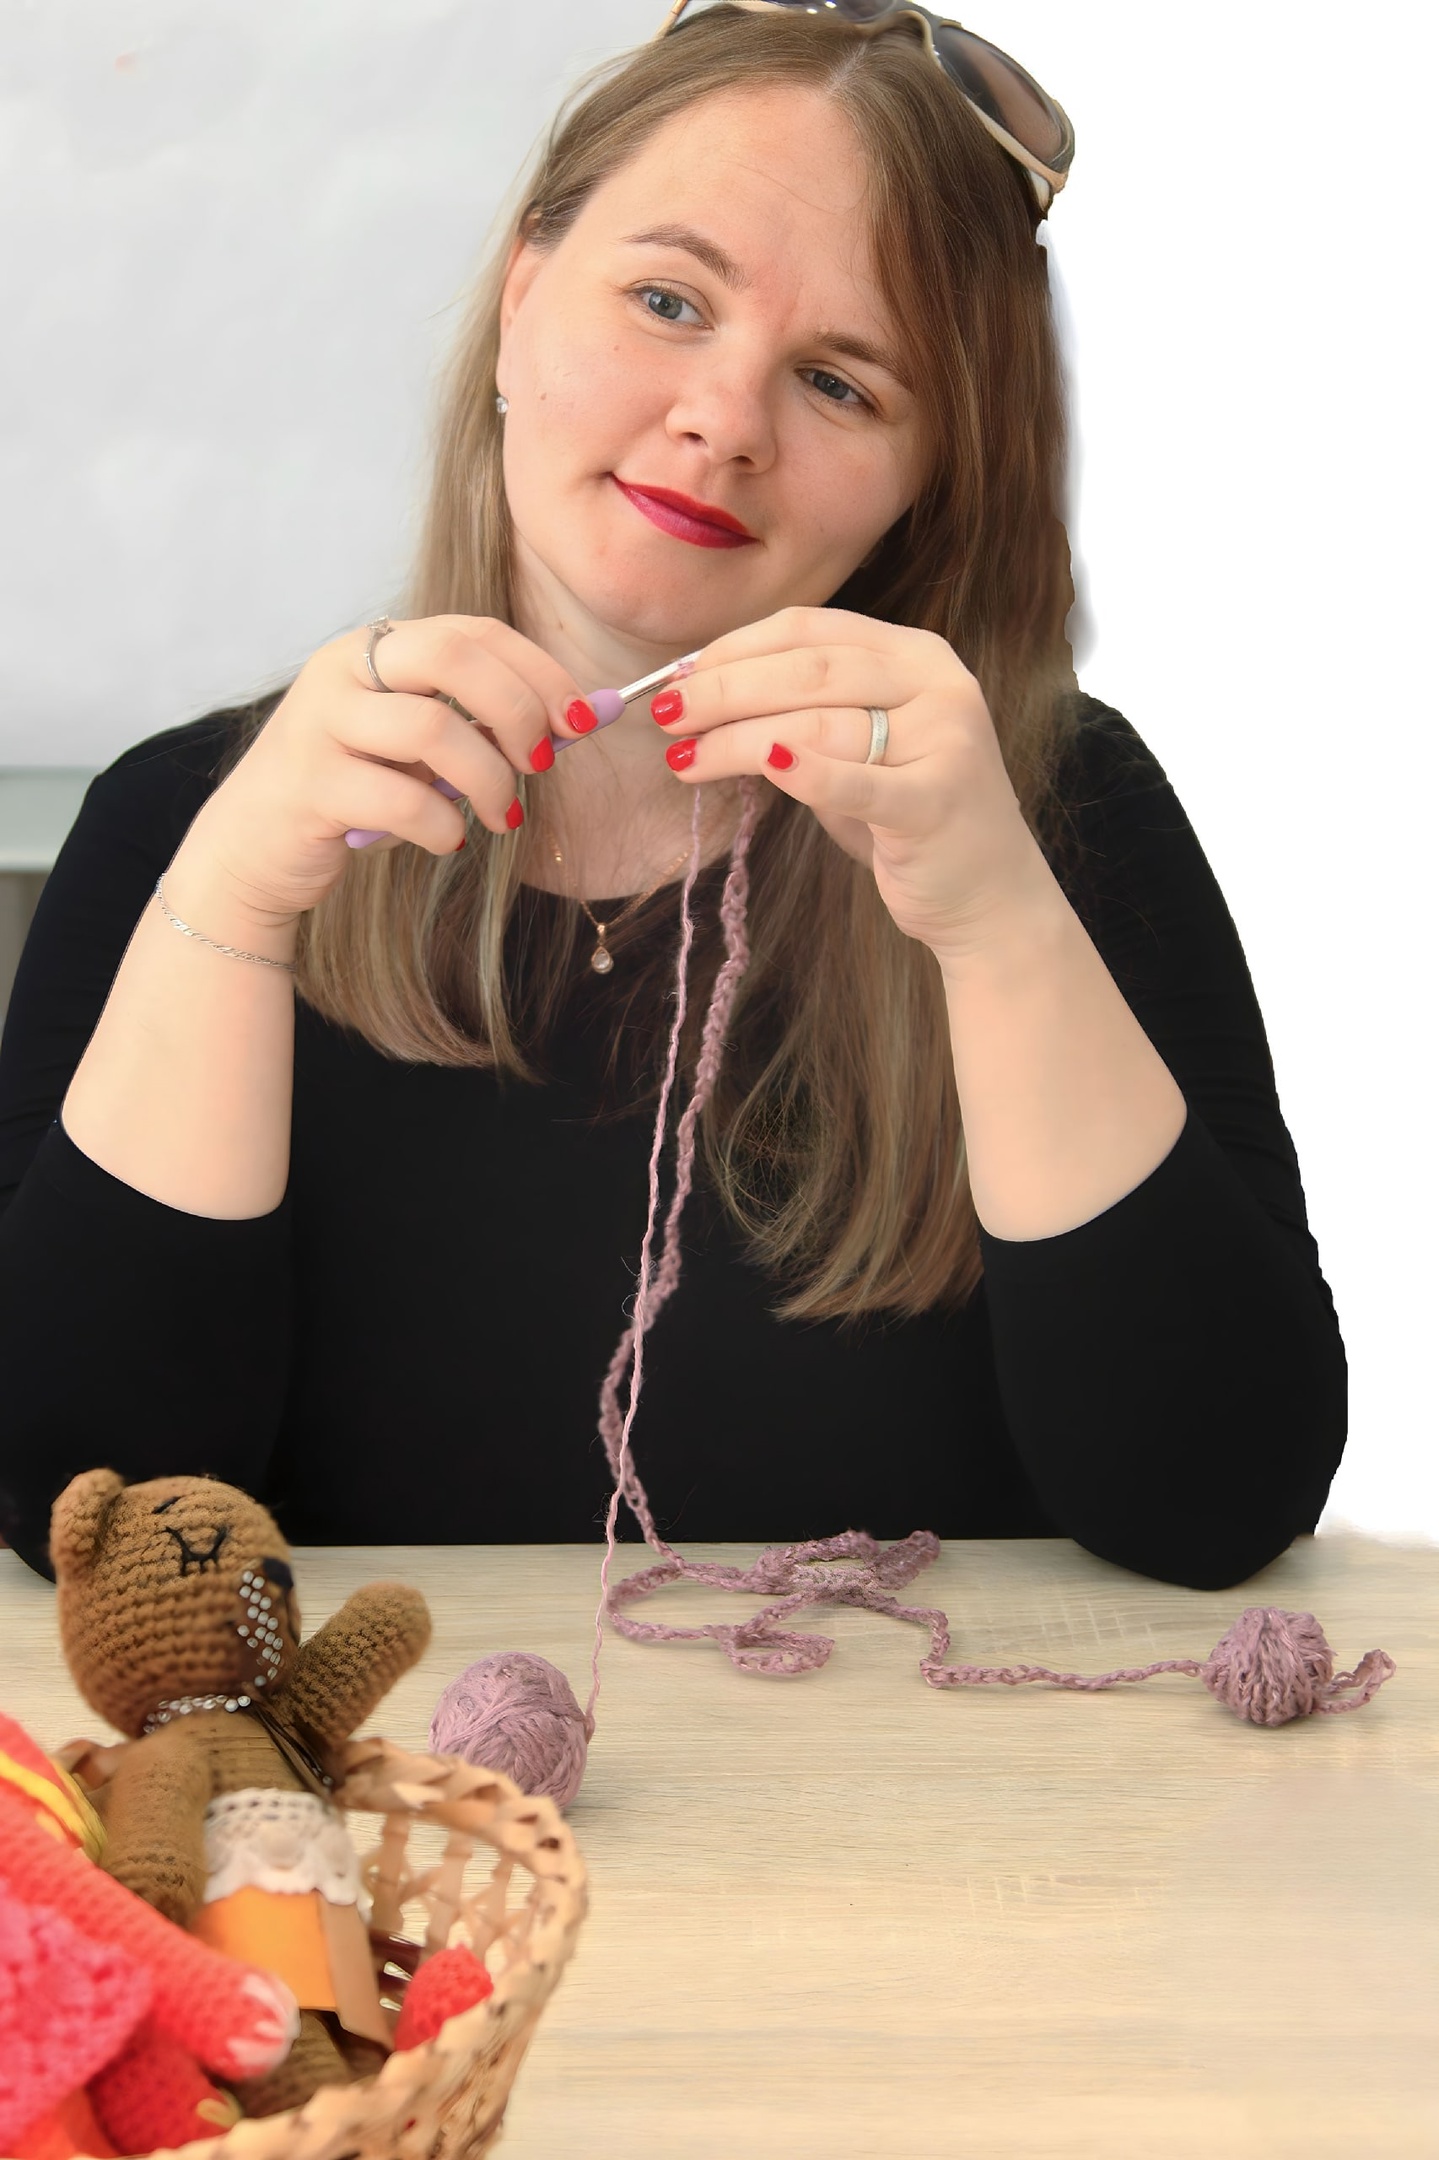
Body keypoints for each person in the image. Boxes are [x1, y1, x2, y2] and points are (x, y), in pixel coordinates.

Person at [0, 2, 1344, 1588]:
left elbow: (1219, 1504)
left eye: (840, 383)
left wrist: (995, 924)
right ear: (521, 294)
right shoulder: (184, 823)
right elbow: (81, 1518)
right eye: (666, 301)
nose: (722, 422)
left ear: (928, 479)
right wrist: (229, 911)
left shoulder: (1061, 811)